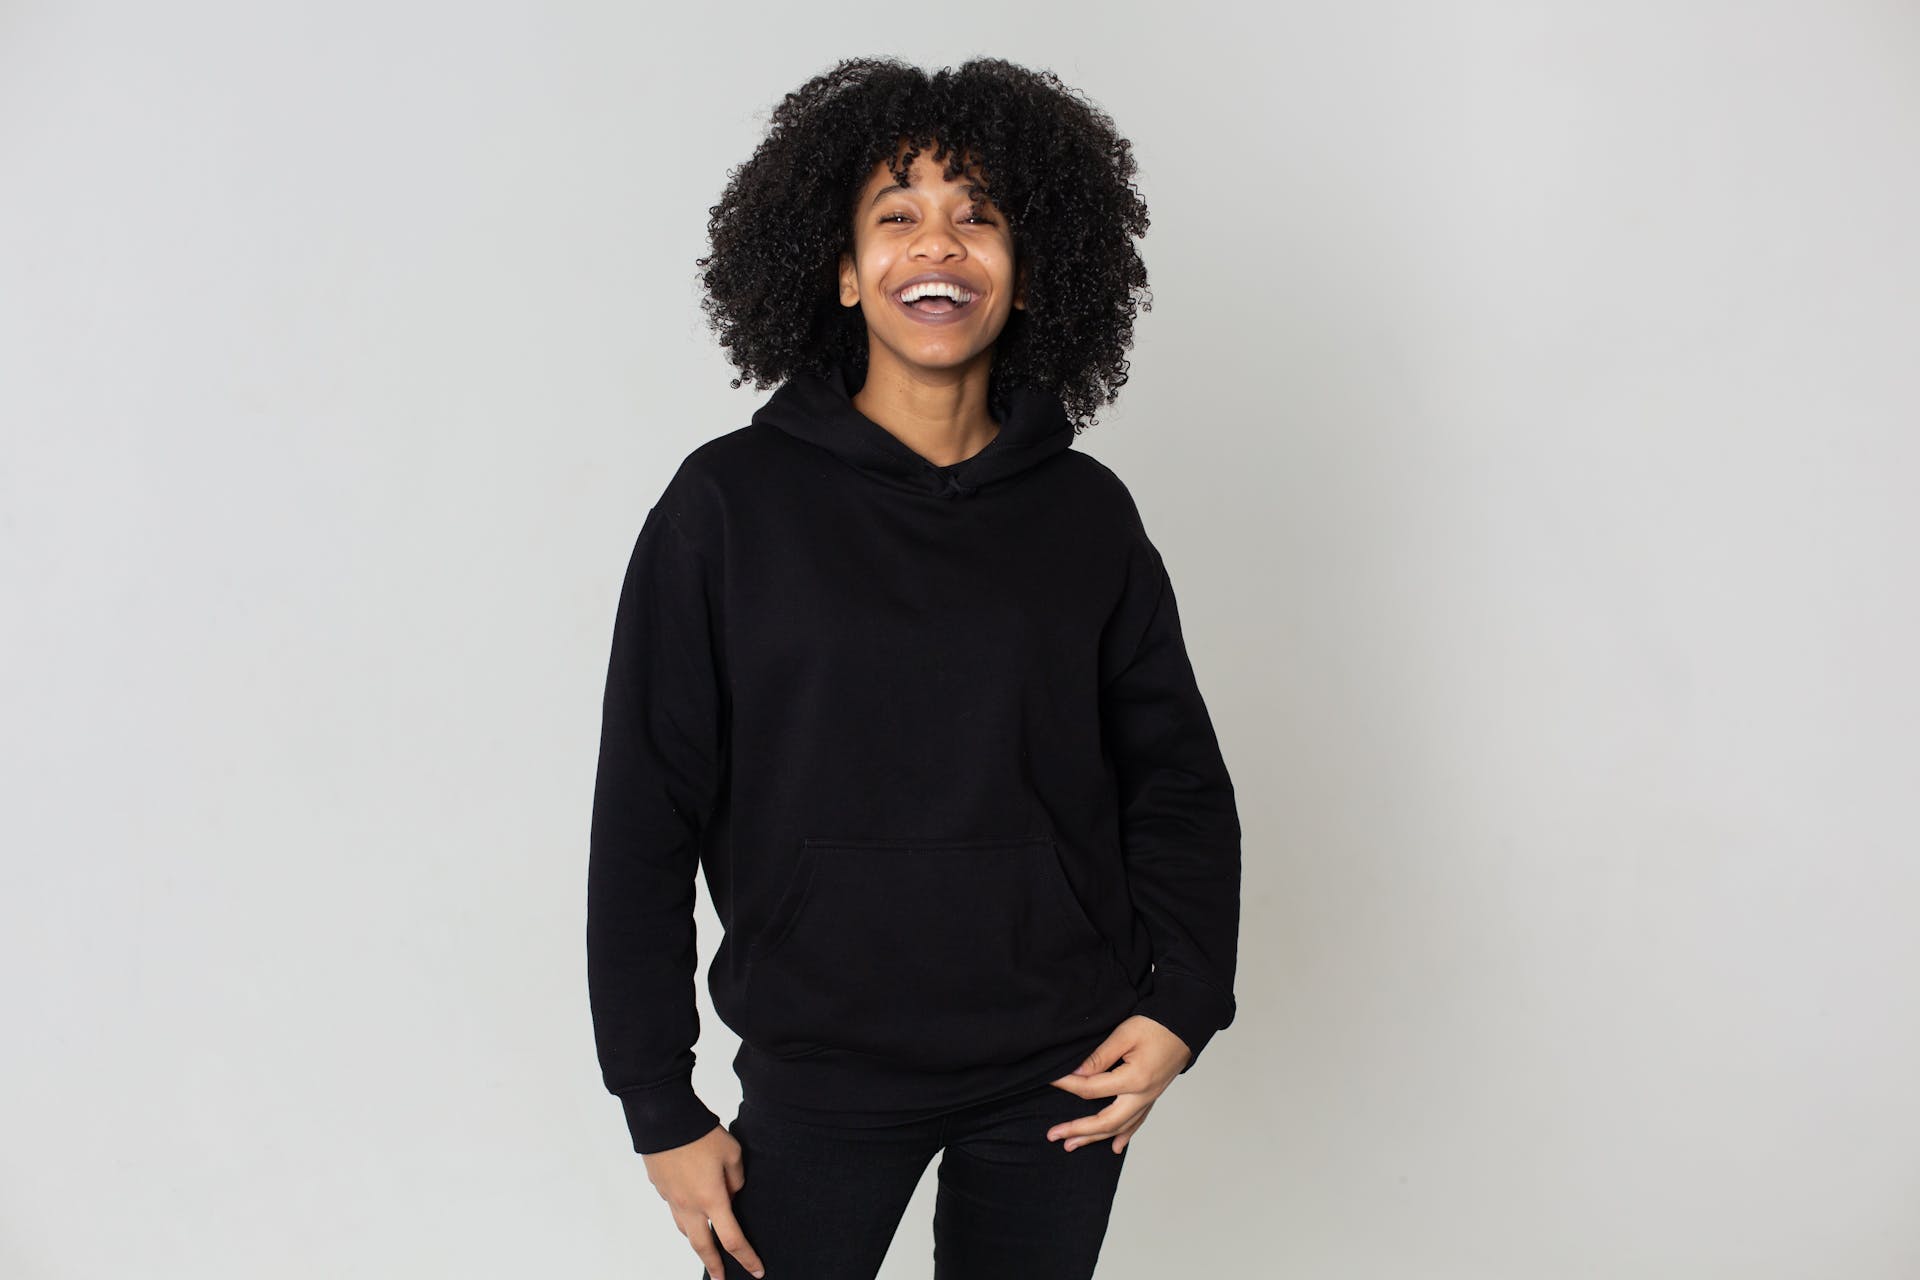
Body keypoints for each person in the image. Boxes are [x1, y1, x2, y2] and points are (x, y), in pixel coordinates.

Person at [586, 56, 1242, 1280]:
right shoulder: (726, 506)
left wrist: (1182, 1002)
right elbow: (643, 812)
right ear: (840, 270)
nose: (936, 243)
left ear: (1030, 269)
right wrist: (655, 1101)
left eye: (978, 214)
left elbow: (1176, 782)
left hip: (1059, 1071)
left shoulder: (1087, 514)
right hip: (822, 1067)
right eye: (896, 215)